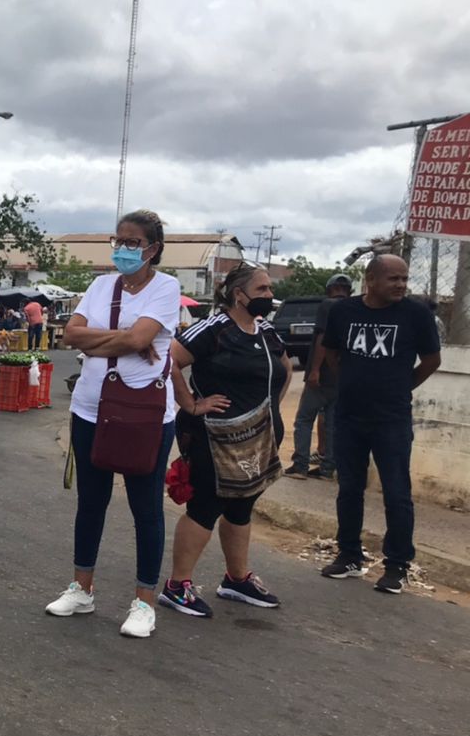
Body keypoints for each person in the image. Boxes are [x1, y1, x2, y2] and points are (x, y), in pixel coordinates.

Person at [45, 209, 180, 638]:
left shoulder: (166, 288)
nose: (123, 250)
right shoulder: (101, 285)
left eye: (133, 243)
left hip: (145, 414)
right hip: (89, 408)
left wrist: (110, 340)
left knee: (145, 507)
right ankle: (82, 588)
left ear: (153, 248)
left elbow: (142, 339)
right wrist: (124, 342)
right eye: (118, 241)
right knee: (91, 501)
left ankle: (144, 601)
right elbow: (70, 335)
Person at [159, 263, 292, 618]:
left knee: (241, 506)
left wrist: (268, 411)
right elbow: (168, 360)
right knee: (206, 506)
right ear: (239, 294)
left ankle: (236, 579)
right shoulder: (214, 328)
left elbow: (285, 367)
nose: (268, 296)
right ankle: (177, 586)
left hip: (259, 438)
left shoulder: (265, 330)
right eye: (262, 289)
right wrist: (190, 403)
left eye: (268, 289)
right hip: (214, 438)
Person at [319, 254, 442, 593]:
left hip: (391, 418)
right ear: (370, 280)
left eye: (404, 279)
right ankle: (349, 555)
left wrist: (401, 387)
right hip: (349, 416)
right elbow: (331, 352)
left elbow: (432, 360)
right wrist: (350, 382)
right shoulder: (343, 311)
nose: (402, 285)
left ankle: (397, 565)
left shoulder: (416, 314)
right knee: (348, 488)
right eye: (394, 279)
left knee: (397, 493)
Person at [286, 274, 352, 480]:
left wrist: (314, 370)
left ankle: (300, 466)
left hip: (322, 374)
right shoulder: (354, 307)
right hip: (341, 376)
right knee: (332, 423)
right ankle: (326, 470)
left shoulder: (328, 305)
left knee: (304, 419)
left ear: (330, 289)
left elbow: (323, 338)